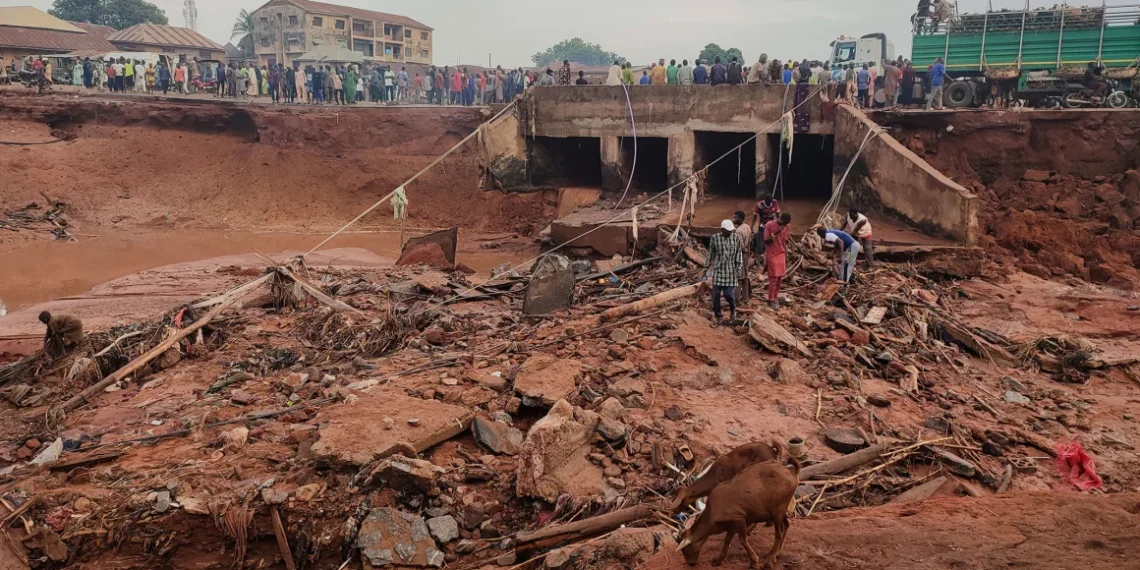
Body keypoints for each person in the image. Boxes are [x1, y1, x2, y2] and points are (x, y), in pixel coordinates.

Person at [705, 220, 743, 327]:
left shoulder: (735, 238)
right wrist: (706, 268)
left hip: (731, 272)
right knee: (716, 296)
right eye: (728, 231)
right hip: (718, 271)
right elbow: (711, 254)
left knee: (728, 295)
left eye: (731, 230)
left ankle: (733, 310)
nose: (730, 232)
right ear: (722, 230)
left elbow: (738, 254)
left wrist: (738, 269)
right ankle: (718, 316)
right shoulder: (715, 238)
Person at [763, 213, 792, 307]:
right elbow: (766, 240)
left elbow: (785, 242)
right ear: (780, 218)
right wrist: (776, 232)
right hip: (772, 254)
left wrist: (786, 256)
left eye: (786, 223)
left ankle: (775, 298)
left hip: (781, 254)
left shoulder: (787, 227)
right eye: (783, 222)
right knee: (773, 278)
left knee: (780, 279)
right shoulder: (769, 225)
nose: (784, 225)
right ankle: (770, 300)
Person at [732, 211, 754, 304]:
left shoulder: (738, 231)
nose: (734, 219)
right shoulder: (747, 227)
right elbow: (750, 241)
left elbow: (739, 246)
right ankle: (745, 298)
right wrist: (748, 251)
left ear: (741, 219)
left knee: (738, 279)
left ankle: (736, 299)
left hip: (740, 255)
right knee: (745, 277)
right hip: (745, 256)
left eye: (736, 218)